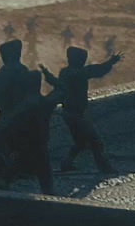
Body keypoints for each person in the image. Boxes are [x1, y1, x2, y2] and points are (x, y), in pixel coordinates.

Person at [40, 46, 121, 174]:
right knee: (96, 141)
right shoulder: (80, 73)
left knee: (80, 142)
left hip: (68, 113)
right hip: (78, 114)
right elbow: (98, 70)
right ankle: (104, 167)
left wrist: (47, 75)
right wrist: (110, 62)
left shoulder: (65, 72)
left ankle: (66, 164)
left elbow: (57, 85)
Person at [0, 70, 64, 195]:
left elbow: (10, 123)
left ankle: (4, 180)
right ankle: (48, 190)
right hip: (38, 141)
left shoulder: (22, 104)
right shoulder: (44, 102)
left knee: (22, 160)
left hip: (25, 141)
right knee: (42, 165)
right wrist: (49, 77)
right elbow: (62, 89)